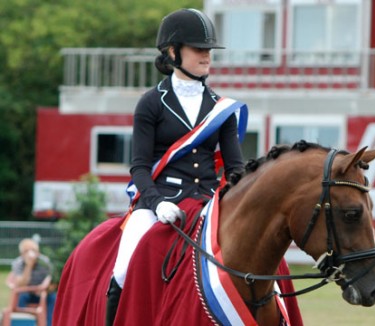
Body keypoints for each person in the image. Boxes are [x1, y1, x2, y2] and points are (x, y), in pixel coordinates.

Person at [106, 8, 245, 325]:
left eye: (208, 50)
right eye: (199, 49)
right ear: (172, 52)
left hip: (210, 202)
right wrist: (157, 203)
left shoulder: (220, 108)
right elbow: (139, 168)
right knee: (124, 268)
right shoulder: (152, 102)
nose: (206, 56)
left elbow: (236, 170)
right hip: (160, 200)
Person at [10, 238, 56, 326]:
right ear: (22, 254)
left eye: (33, 250)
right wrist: (28, 266)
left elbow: (51, 277)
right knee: (21, 297)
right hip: (26, 292)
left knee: (53, 298)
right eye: (26, 251)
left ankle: (49, 324)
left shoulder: (44, 262)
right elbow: (21, 284)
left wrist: (44, 287)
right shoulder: (18, 263)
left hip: (42, 292)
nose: (30, 253)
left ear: (38, 252)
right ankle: (23, 323)